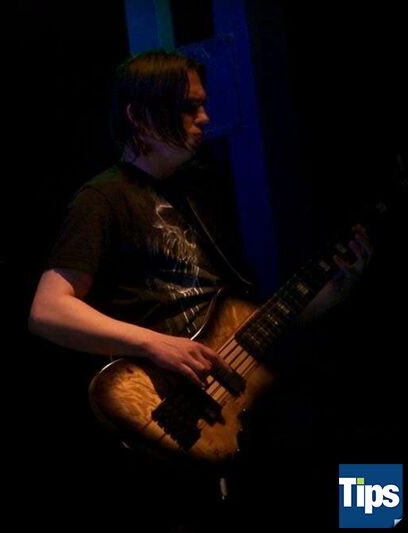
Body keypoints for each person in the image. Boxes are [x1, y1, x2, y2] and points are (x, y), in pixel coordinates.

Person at [28, 49, 372, 530]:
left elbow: (249, 316)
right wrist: (155, 343)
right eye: (189, 107)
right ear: (140, 116)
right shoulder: (103, 198)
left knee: (356, 439)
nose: (205, 118)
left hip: (236, 403)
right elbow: (48, 310)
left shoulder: (202, 194)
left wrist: (340, 285)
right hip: (166, 406)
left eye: (202, 105)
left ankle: (379, 518)